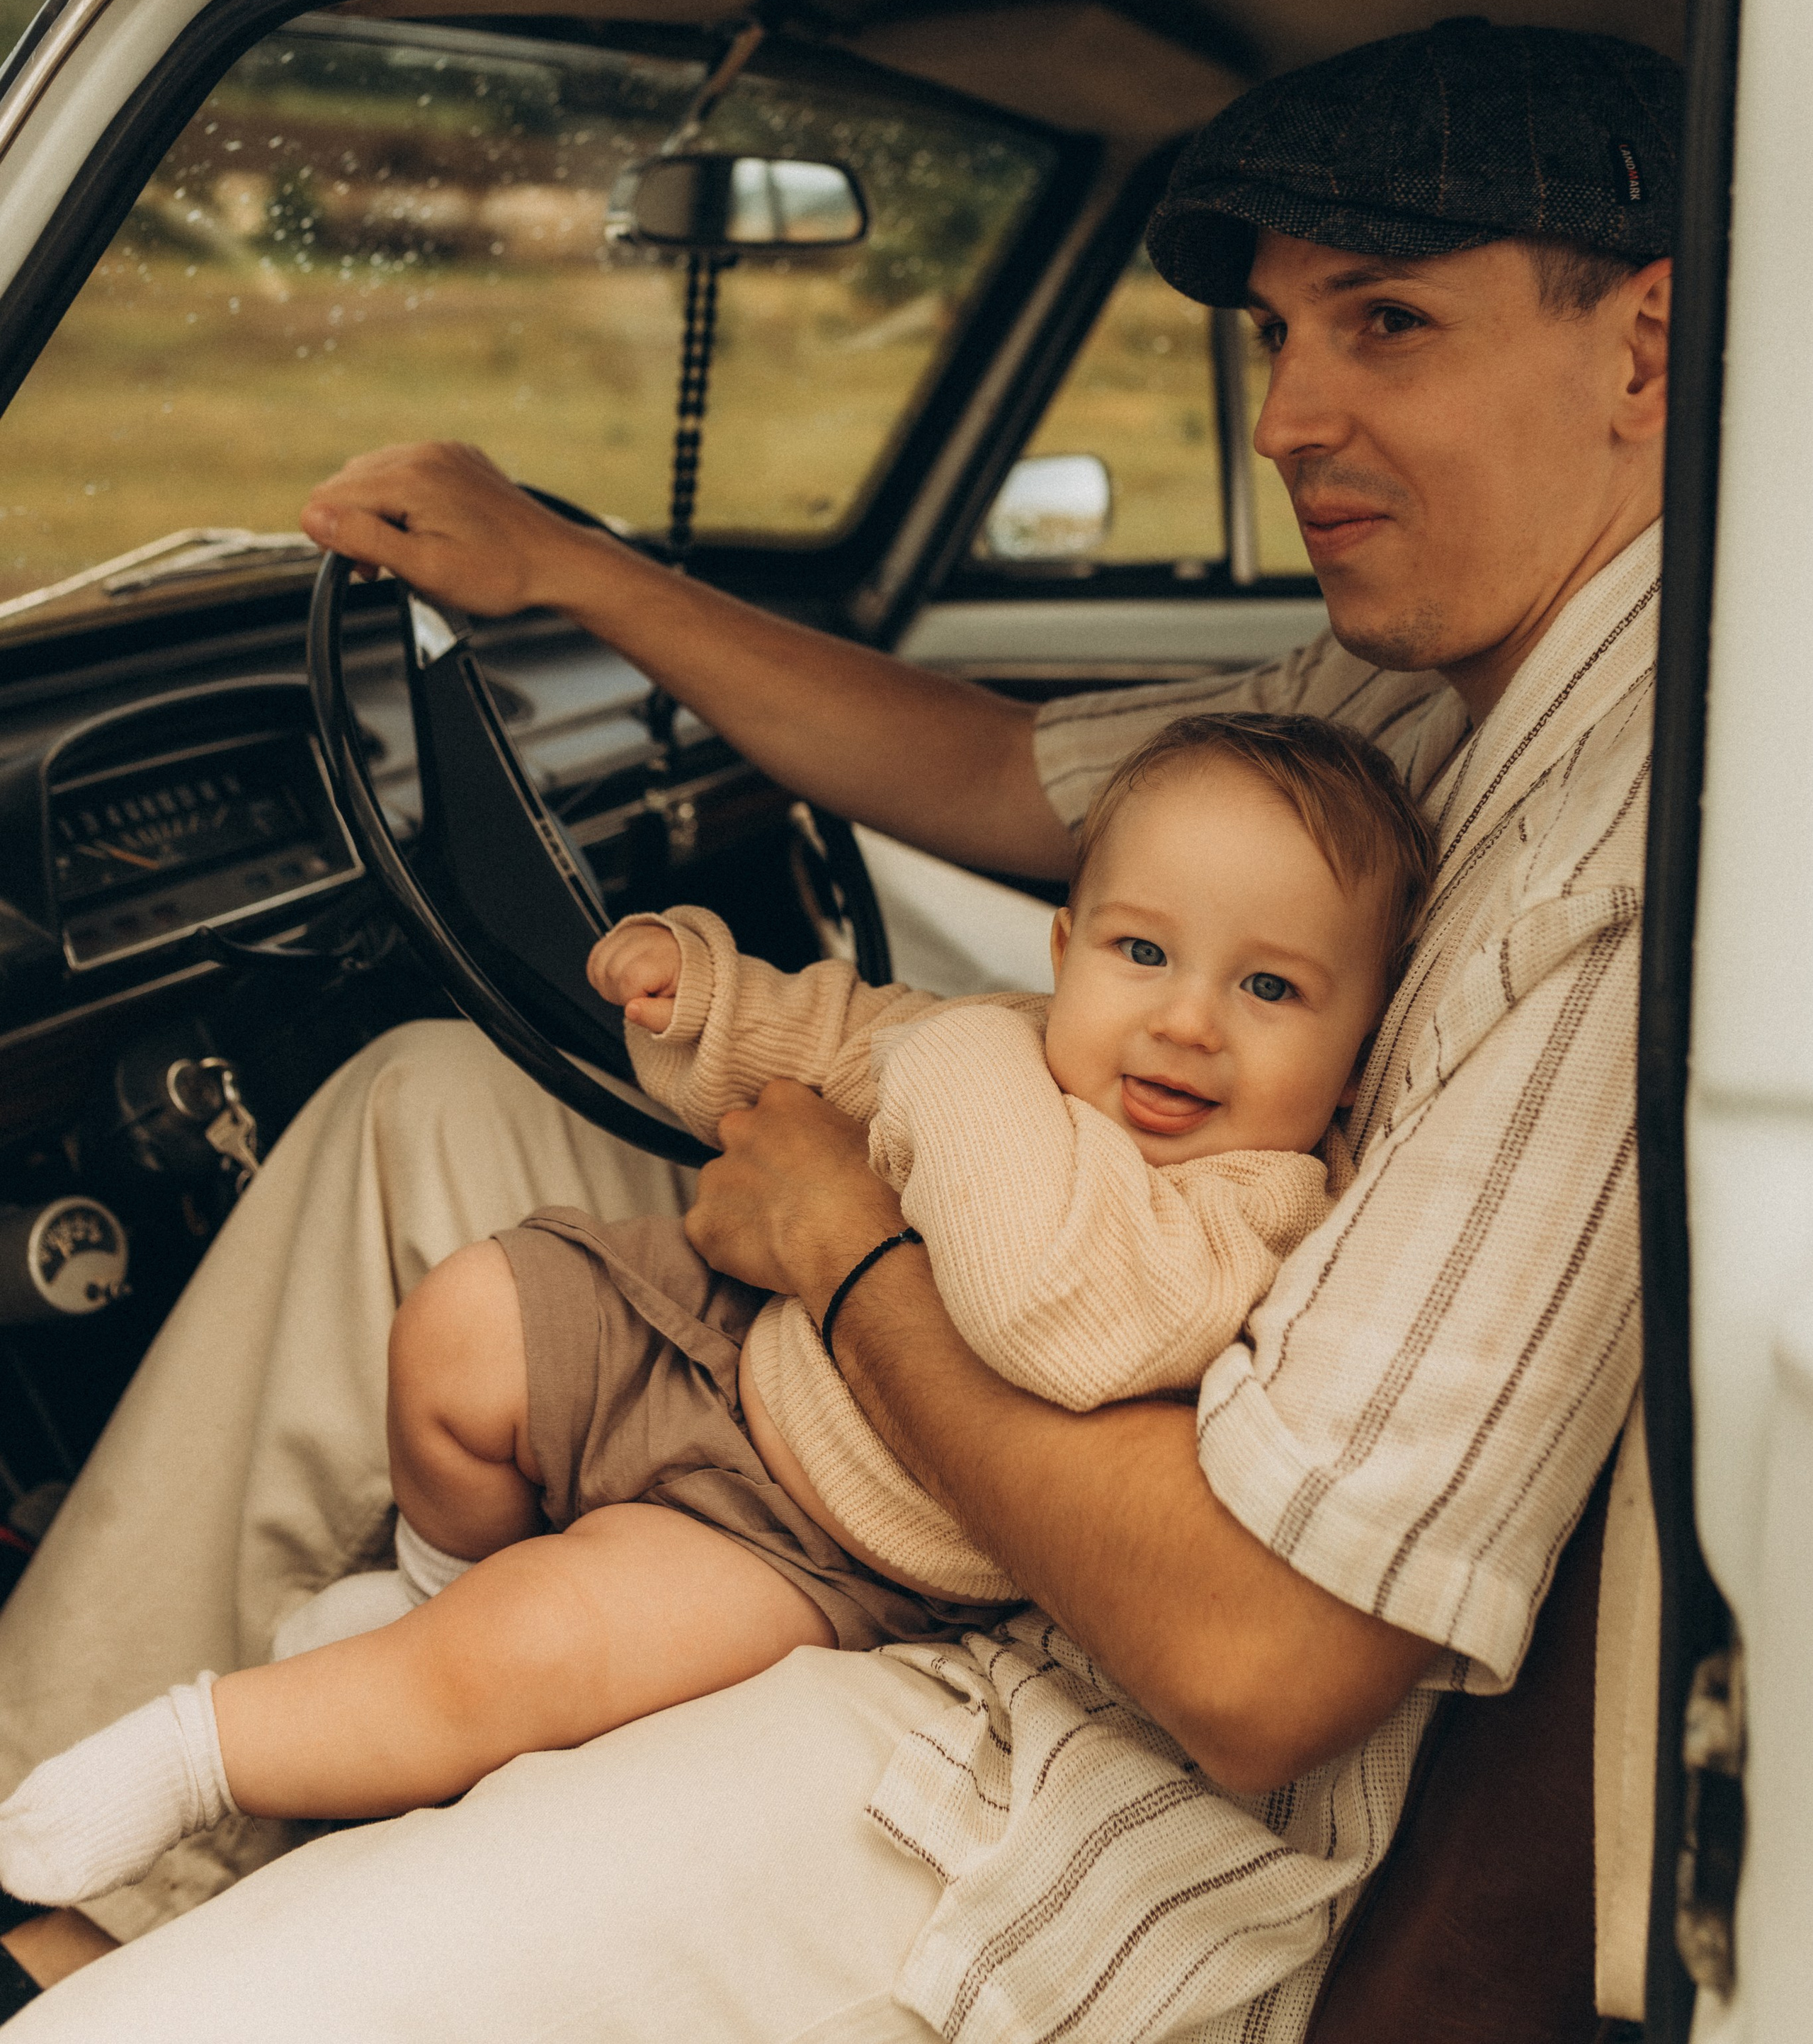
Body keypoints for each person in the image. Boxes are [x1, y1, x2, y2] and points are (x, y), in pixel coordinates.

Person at [0, 18, 1671, 2040]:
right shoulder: (1426, 676)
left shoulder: (1635, 843)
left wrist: (856, 1256)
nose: (1290, 419)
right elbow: (1001, 770)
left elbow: (1257, 1663)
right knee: (430, 1105)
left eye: (1386, 324)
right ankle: (52, 1839)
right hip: (1015, 1413)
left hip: (1056, 1750)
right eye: (1275, 339)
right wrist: (565, 570)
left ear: (1645, 352)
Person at [0, 714, 1433, 1902]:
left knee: (535, 1645)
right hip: (729, 1333)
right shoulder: (1006, 1035)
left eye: (1267, 987)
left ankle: (200, 1752)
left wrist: (961, 1063)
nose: (1186, 1021)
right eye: (1142, 954)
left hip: (818, 1544)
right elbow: (829, 1038)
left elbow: (1046, 1313)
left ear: (1357, 1041)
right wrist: (700, 994)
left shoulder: (1250, 1207)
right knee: (458, 1324)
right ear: (1063, 952)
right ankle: (426, 1583)